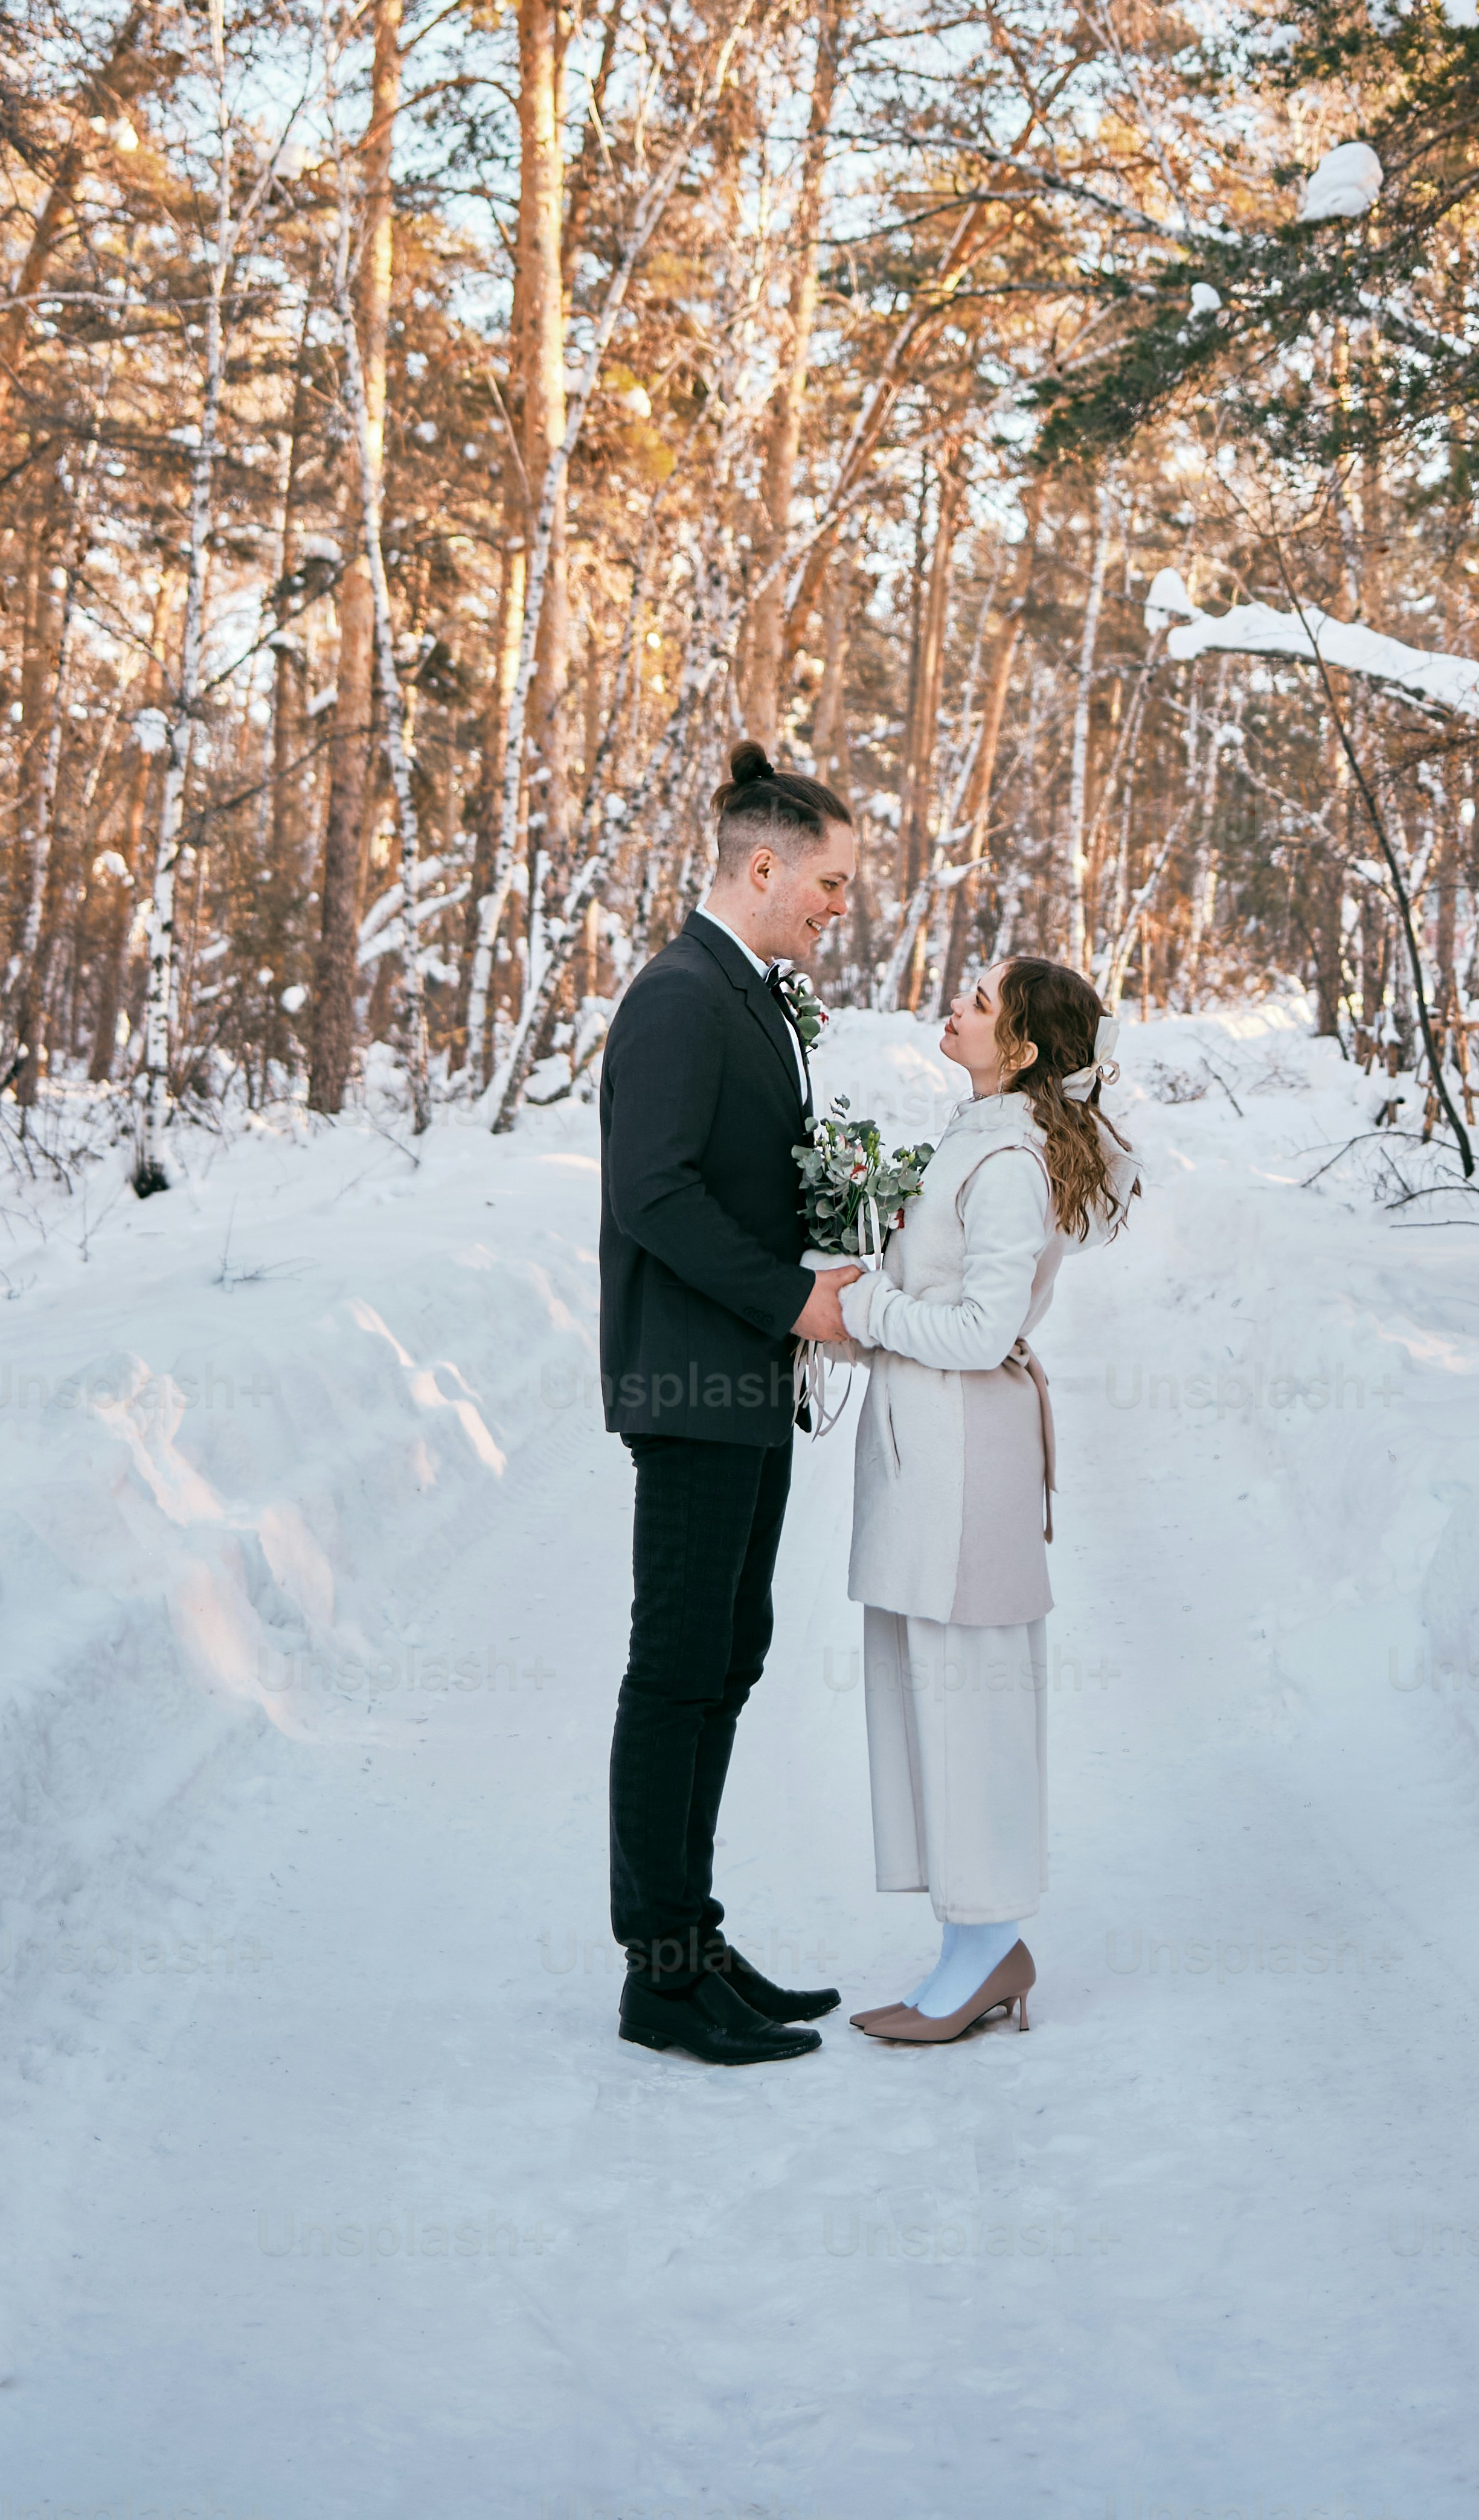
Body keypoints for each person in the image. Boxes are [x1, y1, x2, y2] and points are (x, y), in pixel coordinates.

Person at [797, 953, 1132, 2045]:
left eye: (980, 1002)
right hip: (924, 1457)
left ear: (1024, 1048)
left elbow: (983, 1332)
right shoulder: (973, 1137)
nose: (956, 1005)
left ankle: (987, 1949)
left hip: (964, 1462)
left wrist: (868, 1312)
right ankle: (971, 1942)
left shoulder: (1014, 1163)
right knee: (931, 1697)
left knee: (971, 1699)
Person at [595, 740, 859, 2067]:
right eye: (829, 881)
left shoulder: (748, 994)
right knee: (678, 1671)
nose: (838, 906)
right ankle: (661, 1973)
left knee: (727, 1663)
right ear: (762, 867)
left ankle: (695, 1939)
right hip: (697, 1381)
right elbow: (653, 1193)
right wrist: (790, 1300)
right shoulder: (681, 996)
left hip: (744, 1383)